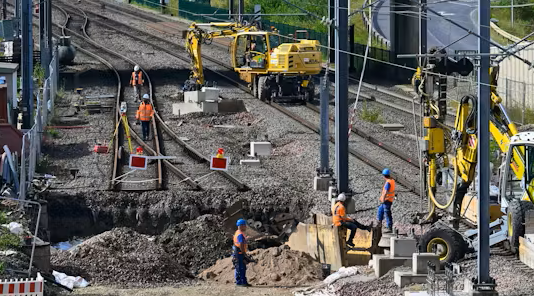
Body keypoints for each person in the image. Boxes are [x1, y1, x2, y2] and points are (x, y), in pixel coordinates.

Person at [233, 219, 251, 287]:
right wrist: (243, 253)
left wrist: (246, 239)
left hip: (237, 252)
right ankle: (241, 282)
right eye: (245, 225)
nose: (246, 227)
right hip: (239, 252)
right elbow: (240, 244)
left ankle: (239, 281)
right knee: (241, 268)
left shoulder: (238, 232)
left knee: (239, 267)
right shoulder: (240, 234)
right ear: (241, 226)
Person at [377, 168, 395, 233]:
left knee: (387, 213)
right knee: (380, 210)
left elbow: (385, 192)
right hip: (388, 200)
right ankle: (379, 224)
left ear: (384, 176)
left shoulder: (388, 183)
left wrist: (383, 199)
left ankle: (389, 227)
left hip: (387, 200)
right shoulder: (392, 180)